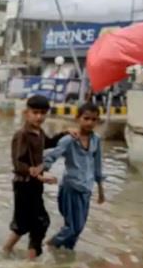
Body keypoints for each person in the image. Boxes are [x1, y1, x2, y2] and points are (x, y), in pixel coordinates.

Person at [2, 95, 67, 260]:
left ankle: (9, 252)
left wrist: (65, 134)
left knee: (28, 223)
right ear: (26, 113)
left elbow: (49, 143)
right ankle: (28, 260)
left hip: (34, 184)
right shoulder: (22, 135)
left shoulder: (39, 132)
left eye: (43, 113)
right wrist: (39, 175)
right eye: (35, 112)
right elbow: (18, 164)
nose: (39, 116)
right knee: (36, 222)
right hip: (23, 185)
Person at [42, 102, 105, 250]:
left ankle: (65, 259)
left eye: (94, 119)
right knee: (72, 228)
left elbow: (97, 166)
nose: (90, 122)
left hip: (86, 189)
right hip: (71, 188)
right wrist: (43, 172)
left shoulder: (96, 140)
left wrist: (101, 191)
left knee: (79, 229)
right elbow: (51, 156)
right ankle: (47, 247)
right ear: (78, 118)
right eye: (86, 118)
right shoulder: (69, 140)